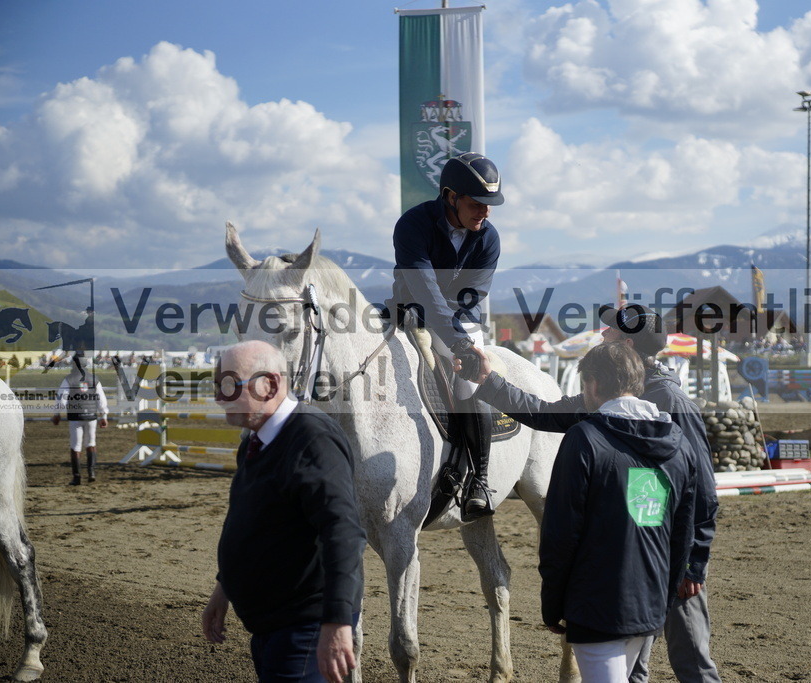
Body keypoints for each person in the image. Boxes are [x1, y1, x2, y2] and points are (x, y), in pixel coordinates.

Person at [459, 305, 721, 683]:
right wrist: (488, 381)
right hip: (636, 554)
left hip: (675, 553)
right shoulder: (608, 395)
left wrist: (693, 564)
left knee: (691, 659)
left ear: (627, 345)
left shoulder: (673, 403)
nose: (602, 335)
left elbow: (703, 492)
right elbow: (543, 413)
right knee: (635, 669)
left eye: (609, 332)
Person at [202, 341, 366, 683]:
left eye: (231, 385)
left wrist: (336, 624)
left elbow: (343, 533)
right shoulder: (255, 438)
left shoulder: (312, 439)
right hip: (273, 627)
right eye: (218, 386)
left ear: (271, 385)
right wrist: (224, 588)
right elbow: (254, 520)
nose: (220, 397)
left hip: (306, 627)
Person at [540, 342, 698, 682]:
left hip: (596, 606)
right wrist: (663, 598)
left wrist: (552, 605)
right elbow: (683, 533)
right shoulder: (679, 443)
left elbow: (560, 533)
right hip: (650, 603)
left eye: (583, 387)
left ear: (594, 384)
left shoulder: (584, 438)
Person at [386, 152, 503, 518]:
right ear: (451, 196)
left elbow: (471, 297)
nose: (484, 212)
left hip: (460, 316)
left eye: (489, 205)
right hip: (410, 311)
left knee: (469, 380)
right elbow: (423, 289)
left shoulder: (488, 238)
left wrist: (462, 343)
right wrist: (455, 339)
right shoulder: (413, 224)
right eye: (476, 203)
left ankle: (479, 479)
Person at [51, 352, 109, 485]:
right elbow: (101, 399)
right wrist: (104, 415)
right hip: (91, 417)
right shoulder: (94, 379)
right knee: (91, 444)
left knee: (76, 446)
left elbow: (62, 398)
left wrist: (57, 414)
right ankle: (91, 472)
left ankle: (77, 477)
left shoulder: (69, 379)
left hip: (75, 417)